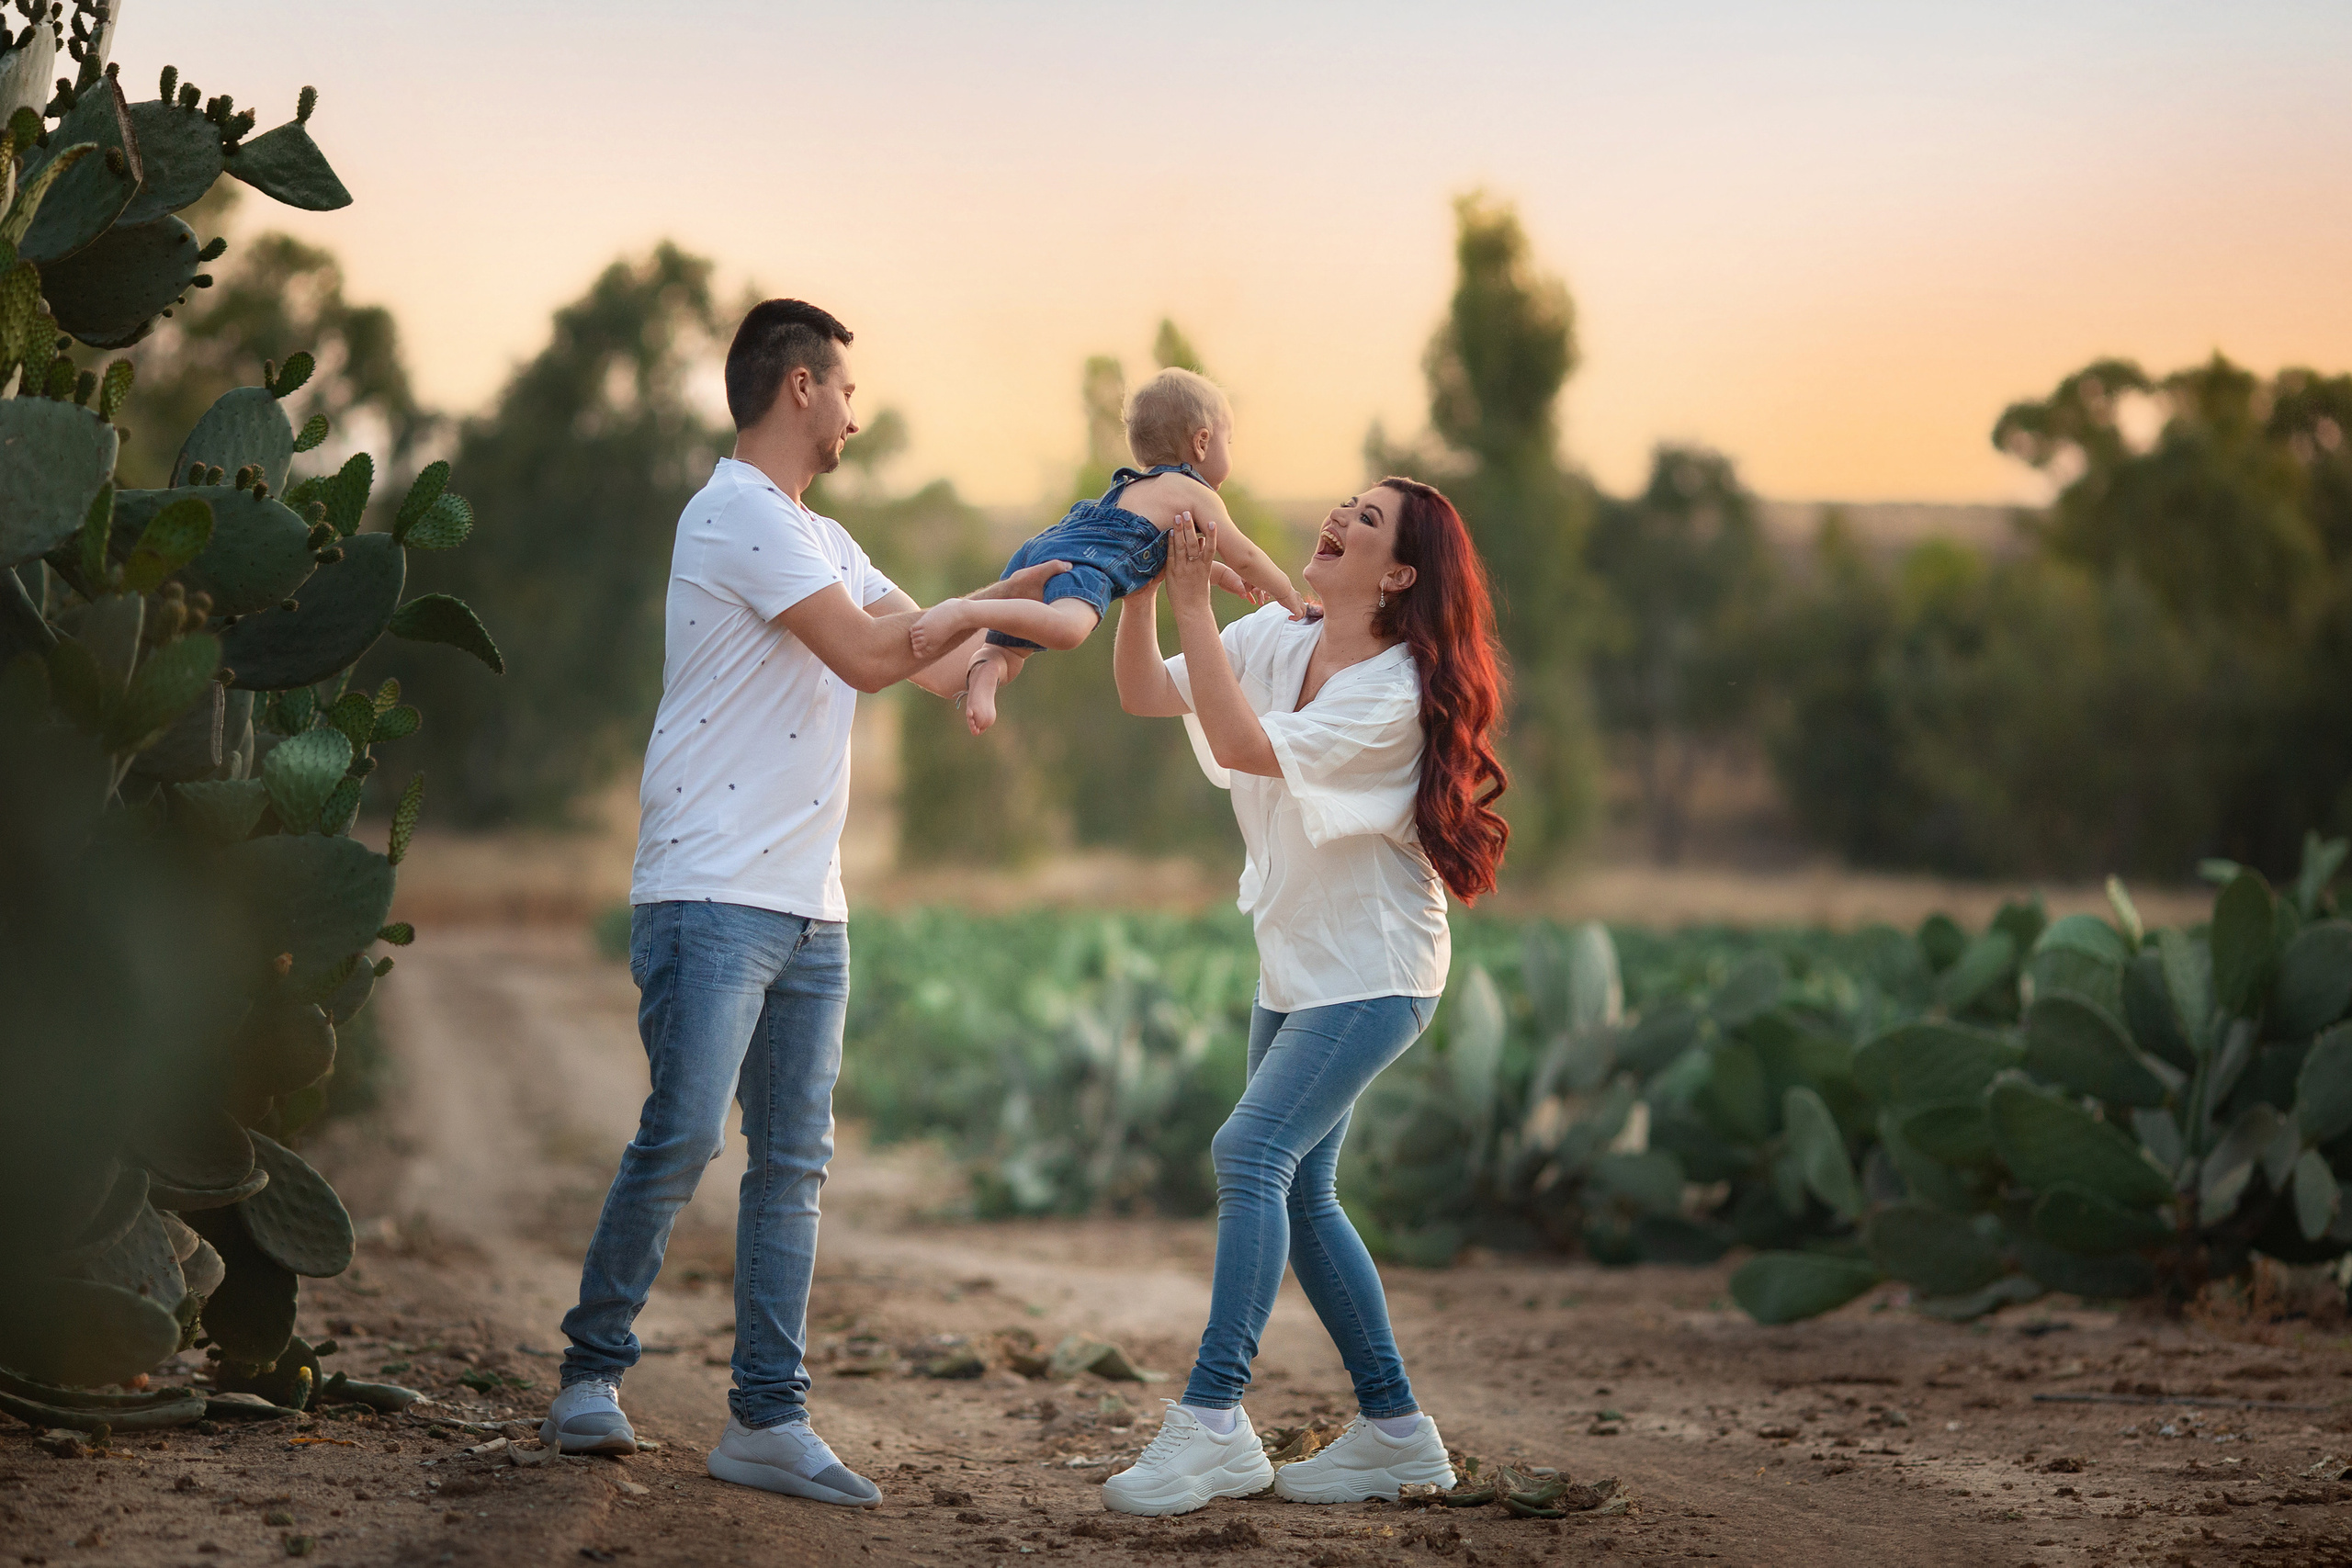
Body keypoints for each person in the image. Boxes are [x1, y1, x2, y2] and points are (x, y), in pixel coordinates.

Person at [540, 299, 1070, 1506]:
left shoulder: (824, 534)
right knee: (682, 1132)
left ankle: (767, 1420)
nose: (854, 411)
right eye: (843, 388)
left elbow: (926, 657)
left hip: (808, 901)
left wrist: (1027, 622)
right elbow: (876, 656)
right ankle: (590, 1371)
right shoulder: (733, 515)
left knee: (792, 1162)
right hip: (710, 886)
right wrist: (992, 609)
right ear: (796, 387)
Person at [1101, 478, 1510, 1517]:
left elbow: (1242, 747)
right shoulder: (1286, 639)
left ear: (1402, 574)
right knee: (1300, 1191)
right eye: (1344, 504)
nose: (1338, 518)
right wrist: (1147, 587)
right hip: (1295, 960)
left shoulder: (1395, 690)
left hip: (1374, 972)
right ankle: (1396, 1434)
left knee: (1250, 1154)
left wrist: (1198, 601)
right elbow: (1147, 694)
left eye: (1366, 521)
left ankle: (1212, 1422)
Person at [908, 367, 1307, 734]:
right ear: (1202, 442)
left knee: (1010, 652)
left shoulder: (1138, 492)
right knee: (1067, 629)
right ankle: (965, 613)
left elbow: (1179, 564)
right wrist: (1287, 593)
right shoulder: (1192, 491)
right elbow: (1246, 554)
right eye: (1229, 441)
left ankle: (985, 670)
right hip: (1084, 567)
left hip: (1047, 546)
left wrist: (1225, 578)